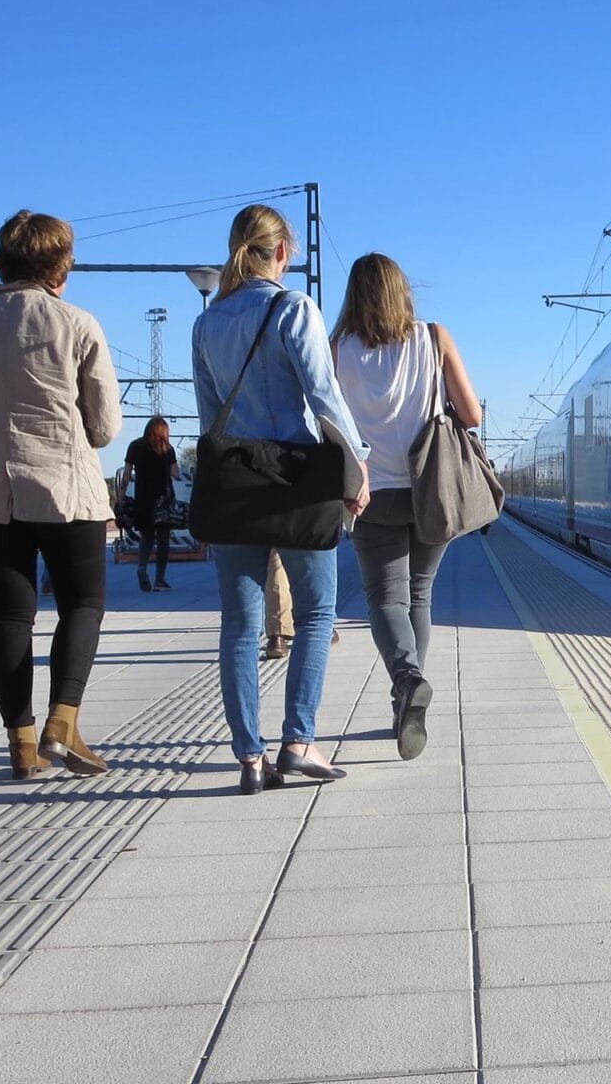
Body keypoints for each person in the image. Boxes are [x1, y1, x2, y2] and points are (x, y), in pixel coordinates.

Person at [192, 205, 368, 795]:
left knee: (239, 626)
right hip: (299, 482)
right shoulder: (293, 308)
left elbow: (209, 415)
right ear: (283, 252)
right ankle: (299, 743)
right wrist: (355, 466)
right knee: (317, 614)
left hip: (236, 480)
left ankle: (249, 759)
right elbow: (323, 396)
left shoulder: (207, 322)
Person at [0, 211, 121, 780]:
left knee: (9, 616)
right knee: (82, 604)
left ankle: (21, 743)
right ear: (61, 266)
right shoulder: (77, 323)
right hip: (66, 487)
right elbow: (105, 426)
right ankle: (65, 722)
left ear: (2, 260)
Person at [333, 252, 482, 761]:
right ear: (403, 291)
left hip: (369, 491)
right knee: (420, 595)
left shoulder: (337, 350)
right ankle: (406, 693)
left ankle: (406, 681)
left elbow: (323, 421)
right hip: (431, 487)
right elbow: (471, 414)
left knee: (385, 599)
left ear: (354, 295)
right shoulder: (434, 337)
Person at [122, 417, 178, 591]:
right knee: (163, 541)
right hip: (163, 500)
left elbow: (126, 474)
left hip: (143, 499)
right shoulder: (167, 449)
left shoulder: (135, 446)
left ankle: (142, 568)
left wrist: (121, 495)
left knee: (146, 538)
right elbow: (175, 473)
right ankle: (160, 579)